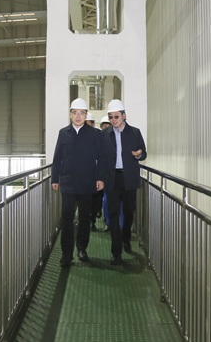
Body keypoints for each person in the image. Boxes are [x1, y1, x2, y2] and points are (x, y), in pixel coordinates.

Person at [51, 98, 105, 267]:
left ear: (86, 115)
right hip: (67, 183)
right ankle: (66, 254)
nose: (78, 116)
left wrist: (100, 178)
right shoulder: (63, 133)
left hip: (87, 183)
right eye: (75, 113)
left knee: (84, 217)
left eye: (81, 113)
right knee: (66, 218)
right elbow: (58, 157)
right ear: (70, 115)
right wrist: (55, 178)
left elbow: (101, 158)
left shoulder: (94, 134)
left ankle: (82, 248)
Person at [101, 99, 147, 265]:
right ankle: (116, 252)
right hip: (112, 179)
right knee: (114, 214)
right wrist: (100, 178)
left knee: (128, 212)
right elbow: (101, 158)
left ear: (124, 115)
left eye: (116, 117)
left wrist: (139, 154)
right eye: (111, 117)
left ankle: (126, 237)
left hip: (129, 179)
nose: (113, 120)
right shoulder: (104, 135)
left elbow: (144, 153)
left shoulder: (135, 132)